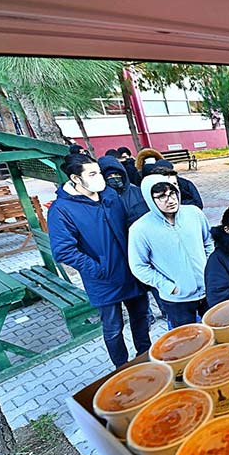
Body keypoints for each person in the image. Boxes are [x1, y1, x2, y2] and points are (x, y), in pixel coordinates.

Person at [48, 154, 151, 367]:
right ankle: (121, 368)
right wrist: (99, 269)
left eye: (98, 172)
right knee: (114, 328)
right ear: (76, 179)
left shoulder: (109, 195)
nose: (100, 178)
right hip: (104, 281)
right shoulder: (62, 209)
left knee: (141, 319)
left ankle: (146, 357)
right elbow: (63, 251)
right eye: (92, 174)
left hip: (131, 272)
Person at [128, 174, 214, 328]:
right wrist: (168, 286)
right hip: (177, 299)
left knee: (216, 327)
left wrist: (209, 269)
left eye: (172, 193)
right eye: (162, 196)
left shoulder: (194, 213)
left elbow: (208, 242)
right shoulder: (140, 229)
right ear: (150, 199)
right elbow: (139, 266)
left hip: (208, 289)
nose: (170, 200)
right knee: (187, 339)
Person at [98, 155, 149, 225]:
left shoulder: (138, 192)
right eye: (109, 176)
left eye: (116, 174)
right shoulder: (100, 198)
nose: (115, 178)